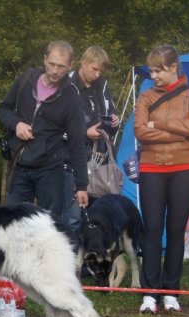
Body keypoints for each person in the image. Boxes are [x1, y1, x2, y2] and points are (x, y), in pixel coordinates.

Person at [134, 45, 189, 314]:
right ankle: (150, 293)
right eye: (151, 70)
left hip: (186, 168)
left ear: (173, 67)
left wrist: (161, 125)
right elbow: (141, 132)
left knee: (176, 231)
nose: (153, 75)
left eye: (158, 70)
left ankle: (171, 292)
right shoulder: (145, 97)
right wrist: (180, 131)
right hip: (152, 167)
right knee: (152, 229)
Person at [0, 40, 88, 220]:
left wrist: (81, 185)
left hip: (51, 169)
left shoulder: (72, 98)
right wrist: (17, 124)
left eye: (61, 66)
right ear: (44, 59)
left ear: (70, 66)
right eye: (52, 64)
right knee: (11, 222)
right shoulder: (26, 79)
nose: (55, 70)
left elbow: (77, 143)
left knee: (50, 226)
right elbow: (3, 109)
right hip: (20, 165)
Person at [64, 46, 120, 247]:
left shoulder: (103, 86)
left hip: (100, 161)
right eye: (94, 69)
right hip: (73, 159)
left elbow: (111, 116)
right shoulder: (66, 85)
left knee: (100, 215)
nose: (97, 75)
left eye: (100, 71)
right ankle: (72, 263)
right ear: (83, 63)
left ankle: (95, 259)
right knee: (74, 216)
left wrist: (114, 122)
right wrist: (84, 133)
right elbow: (57, 125)